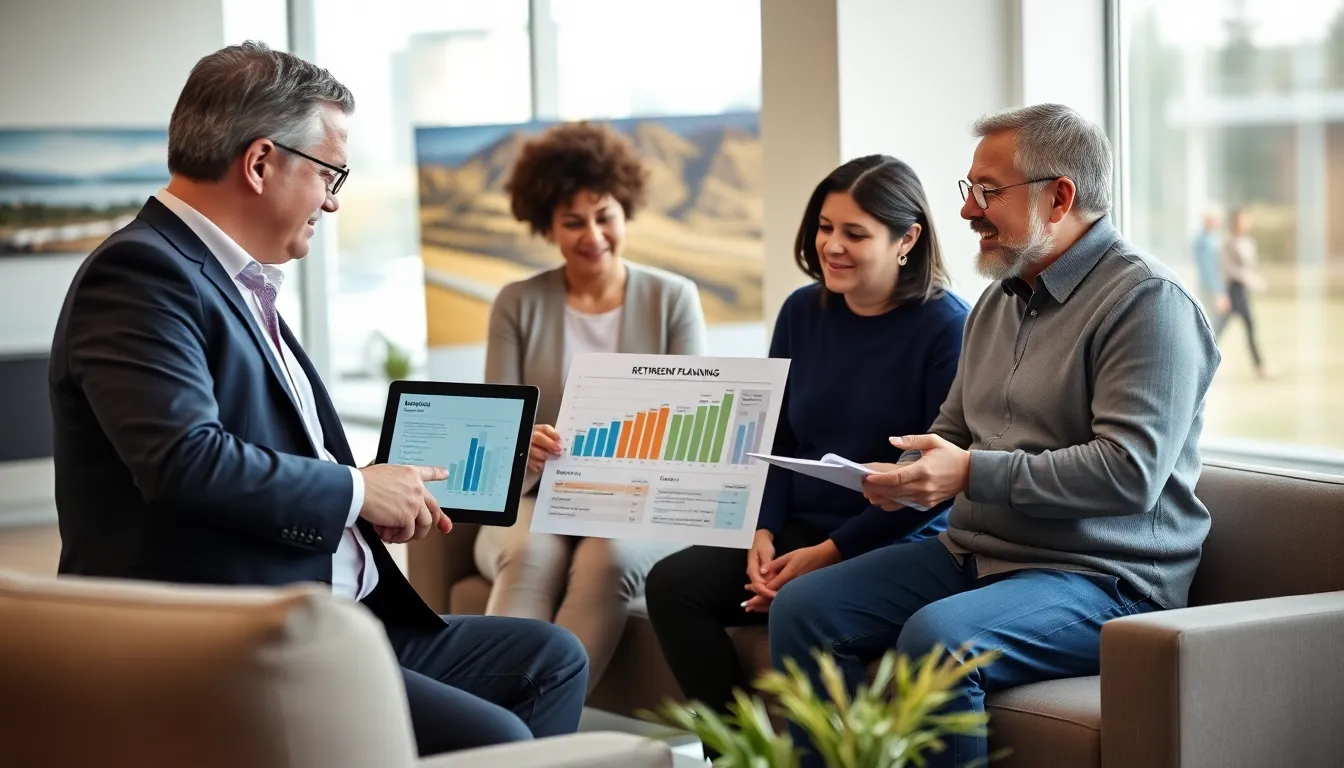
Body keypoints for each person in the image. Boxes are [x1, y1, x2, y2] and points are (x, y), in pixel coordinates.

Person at [48, 42, 587, 757]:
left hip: (339, 612)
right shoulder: (143, 273)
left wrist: (370, 504)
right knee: (499, 737)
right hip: (239, 640)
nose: (334, 199)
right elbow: (183, 461)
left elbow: (258, 451)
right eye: (330, 173)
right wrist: (354, 494)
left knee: (551, 659)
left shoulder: (228, 279)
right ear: (262, 163)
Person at [767, 104, 1220, 768]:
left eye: (988, 192)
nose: (967, 211)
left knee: (939, 639)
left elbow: (1129, 471)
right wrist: (904, 477)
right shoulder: (998, 300)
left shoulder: (1146, 303)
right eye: (967, 189)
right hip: (975, 552)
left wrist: (968, 473)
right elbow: (952, 430)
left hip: (1104, 578)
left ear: (1059, 197)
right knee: (804, 608)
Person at [645, 155, 969, 716]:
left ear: (907, 239)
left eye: (854, 233)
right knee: (673, 585)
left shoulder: (948, 329)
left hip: (891, 536)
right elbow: (774, 436)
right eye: (825, 227)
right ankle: (739, 755)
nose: (831, 246)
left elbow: (928, 486)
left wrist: (827, 553)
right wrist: (762, 530)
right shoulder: (802, 311)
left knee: (801, 599)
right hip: (798, 526)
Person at [474, 121, 707, 689]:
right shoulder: (517, 303)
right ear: (548, 226)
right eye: (572, 222)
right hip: (536, 492)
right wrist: (524, 445)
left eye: (605, 216)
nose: (593, 235)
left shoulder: (673, 298)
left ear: (625, 212)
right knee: (531, 554)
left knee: (609, 561)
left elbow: (695, 414)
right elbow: (497, 424)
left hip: (642, 498)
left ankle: (546, 733)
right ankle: (488, 731)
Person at [1215, 207, 1271, 379]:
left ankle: (1259, 365)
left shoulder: (1248, 242)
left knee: (1221, 328)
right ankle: (1259, 365)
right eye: (1242, 220)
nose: (1246, 223)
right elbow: (1229, 269)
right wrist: (1248, 278)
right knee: (1245, 326)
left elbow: (1251, 266)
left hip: (1243, 291)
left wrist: (1257, 279)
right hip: (1234, 290)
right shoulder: (1229, 242)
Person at [1192, 207, 1229, 319]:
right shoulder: (1202, 240)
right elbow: (1207, 267)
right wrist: (1216, 291)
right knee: (1209, 317)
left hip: (1215, 284)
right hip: (1208, 285)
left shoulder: (1214, 238)